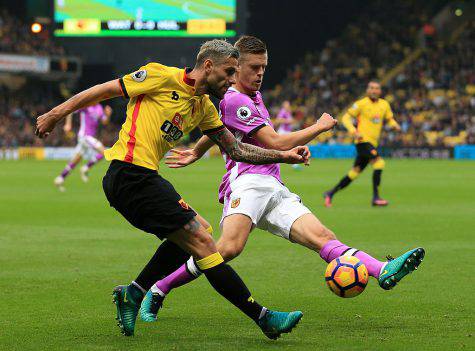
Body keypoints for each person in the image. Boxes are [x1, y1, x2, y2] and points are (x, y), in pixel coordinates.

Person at [35, 39, 311, 339]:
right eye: (229, 72)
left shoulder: (204, 107)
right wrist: (55, 114)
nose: (233, 80)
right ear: (208, 65)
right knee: (202, 244)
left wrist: (284, 155)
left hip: (144, 178)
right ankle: (263, 318)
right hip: (128, 173)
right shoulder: (161, 76)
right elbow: (104, 90)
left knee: (199, 233)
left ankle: (134, 292)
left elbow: (237, 150)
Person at [139, 36, 424, 324]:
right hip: (247, 181)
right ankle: (158, 289)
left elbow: (220, 127)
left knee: (324, 238)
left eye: (264, 67)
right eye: (254, 67)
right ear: (236, 69)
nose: (260, 73)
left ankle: (381, 269)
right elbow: (274, 141)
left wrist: (197, 151)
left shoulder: (252, 96)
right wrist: (318, 127)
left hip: (273, 184)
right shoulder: (235, 98)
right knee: (227, 248)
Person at [323, 81, 401, 207]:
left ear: (380, 91)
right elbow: (346, 118)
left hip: (372, 143)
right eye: (371, 88)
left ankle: (330, 193)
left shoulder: (384, 104)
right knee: (379, 163)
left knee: (355, 172)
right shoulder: (361, 104)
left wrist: (395, 125)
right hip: (362, 141)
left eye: (376, 88)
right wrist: (354, 131)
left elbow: (389, 119)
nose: (374, 90)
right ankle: (376, 198)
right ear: (367, 90)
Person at [54, 103, 111, 191]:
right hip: (85, 136)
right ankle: (85, 168)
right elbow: (71, 109)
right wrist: (68, 124)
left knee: (76, 159)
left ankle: (60, 178)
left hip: (89, 137)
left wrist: (108, 114)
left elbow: (104, 121)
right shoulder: (86, 105)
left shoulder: (99, 107)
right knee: (104, 152)